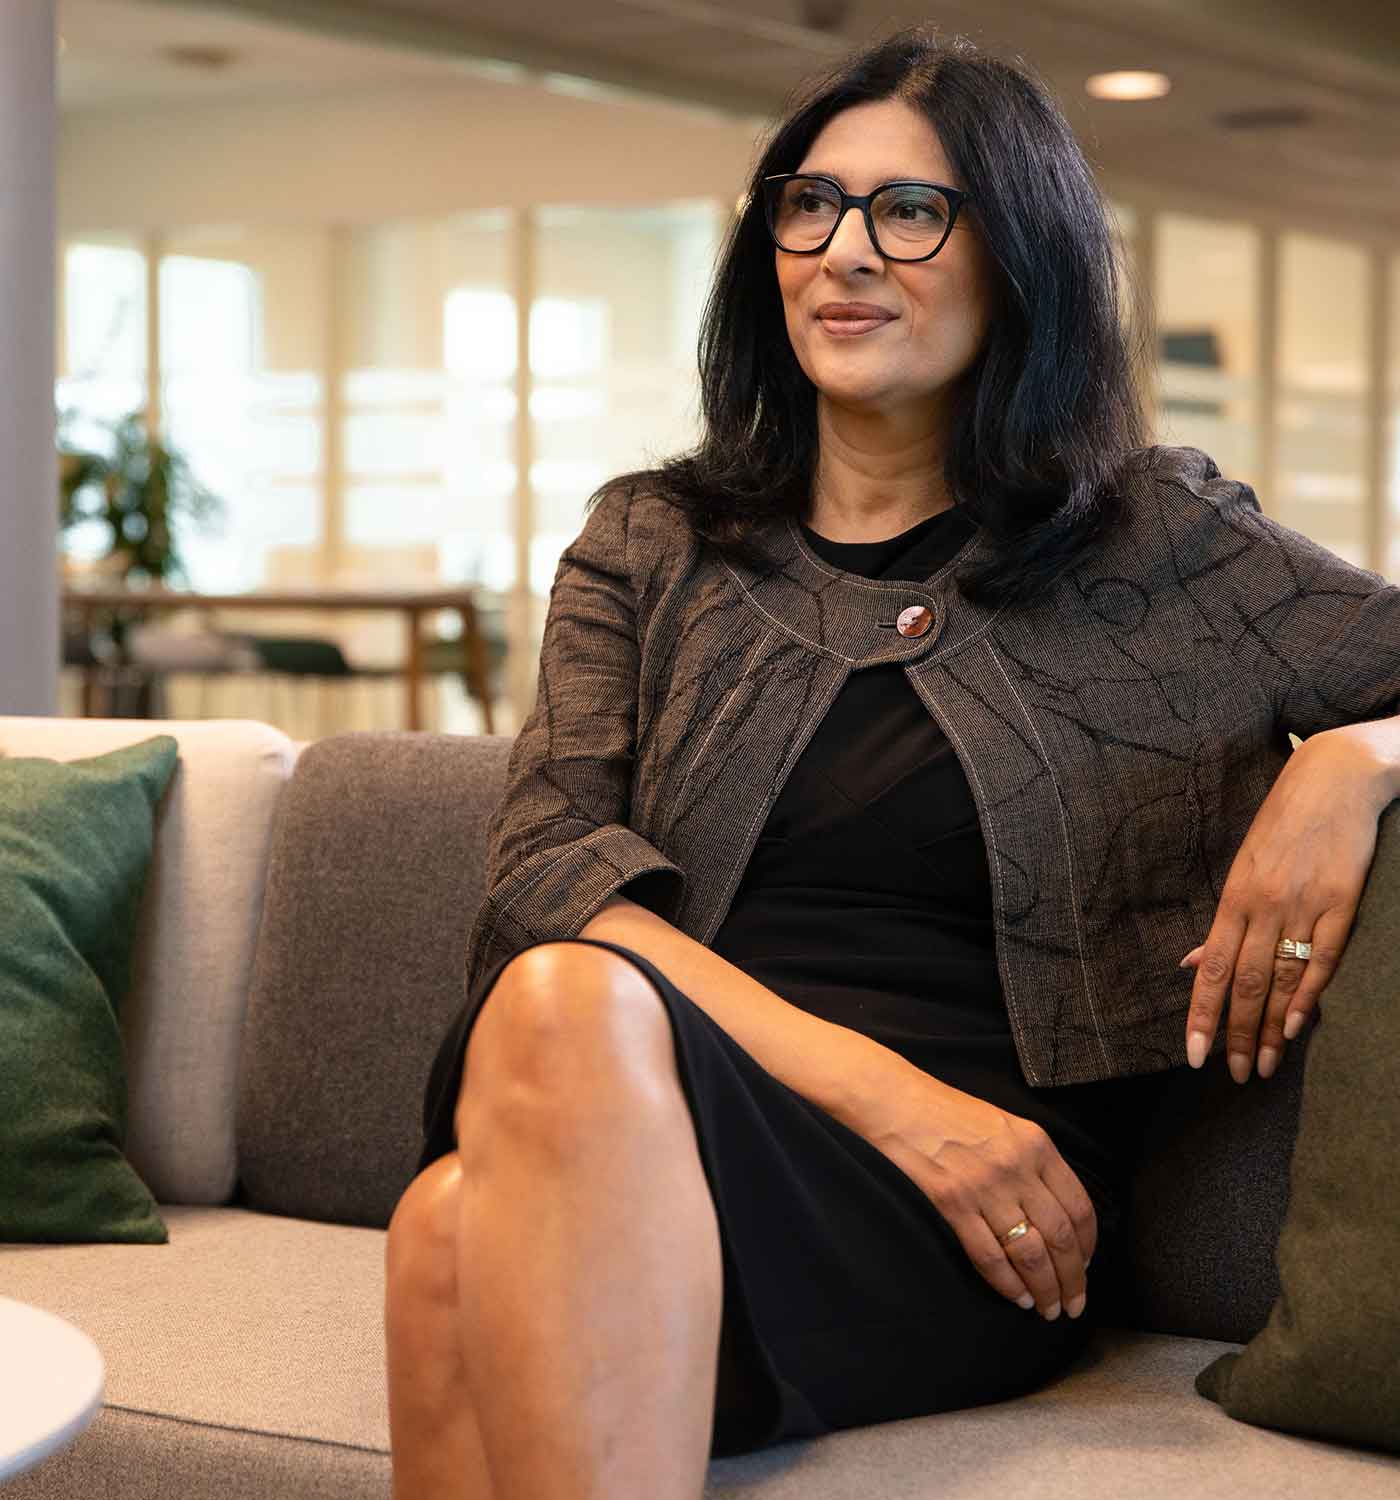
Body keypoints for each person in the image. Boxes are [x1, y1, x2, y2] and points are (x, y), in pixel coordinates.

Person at [384, 25, 1400, 1500]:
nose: (847, 250)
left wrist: (1362, 757)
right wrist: (894, 1099)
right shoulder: (651, 543)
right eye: (813, 204)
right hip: (736, 1116)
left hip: (983, 1221)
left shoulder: (1163, 546)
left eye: (911, 210)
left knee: (456, 1220)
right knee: (532, 1047)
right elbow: (548, 861)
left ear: (1023, 258)